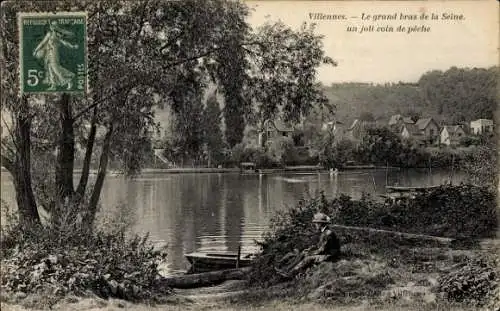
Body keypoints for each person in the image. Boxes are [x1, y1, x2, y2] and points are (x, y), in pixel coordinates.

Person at [275, 212, 341, 278]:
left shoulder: (328, 233)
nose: (315, 225)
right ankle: (287, 269)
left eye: (316, 223)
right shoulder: (324, 232)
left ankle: (291, 273)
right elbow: (321, 246)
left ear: (320, 224)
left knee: (308, 258)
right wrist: (311, 249)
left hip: (330, 256)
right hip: (326, 252)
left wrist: (311, 253)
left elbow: (323, 249)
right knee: (304, 252)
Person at [33, 20, 78, 91]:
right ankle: (53, 85)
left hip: (54, 53)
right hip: (48, 53)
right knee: (50, 68)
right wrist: (36, 50)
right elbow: (42, 43)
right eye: (52, 26)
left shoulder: (58, 35)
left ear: (56, 27)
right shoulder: (49, 34)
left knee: (55, 68)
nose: (52, 27)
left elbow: (64, 42)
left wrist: (72, 46)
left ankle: (68, 81)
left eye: (54, 26)